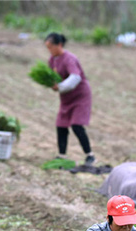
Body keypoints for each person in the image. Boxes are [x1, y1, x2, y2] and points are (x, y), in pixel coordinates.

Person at [45, 32, 96, 165]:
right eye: (47, 48)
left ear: (59, 45)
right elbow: (52, 77)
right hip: (66, 97)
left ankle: (90, 155)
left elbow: (75, 77)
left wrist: (60, 87)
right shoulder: (52, 60)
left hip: (80, 95)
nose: (49, 50)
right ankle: (62, 155)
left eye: (51, 47)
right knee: (61, 125)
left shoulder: (69, 58)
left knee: (76, 125)